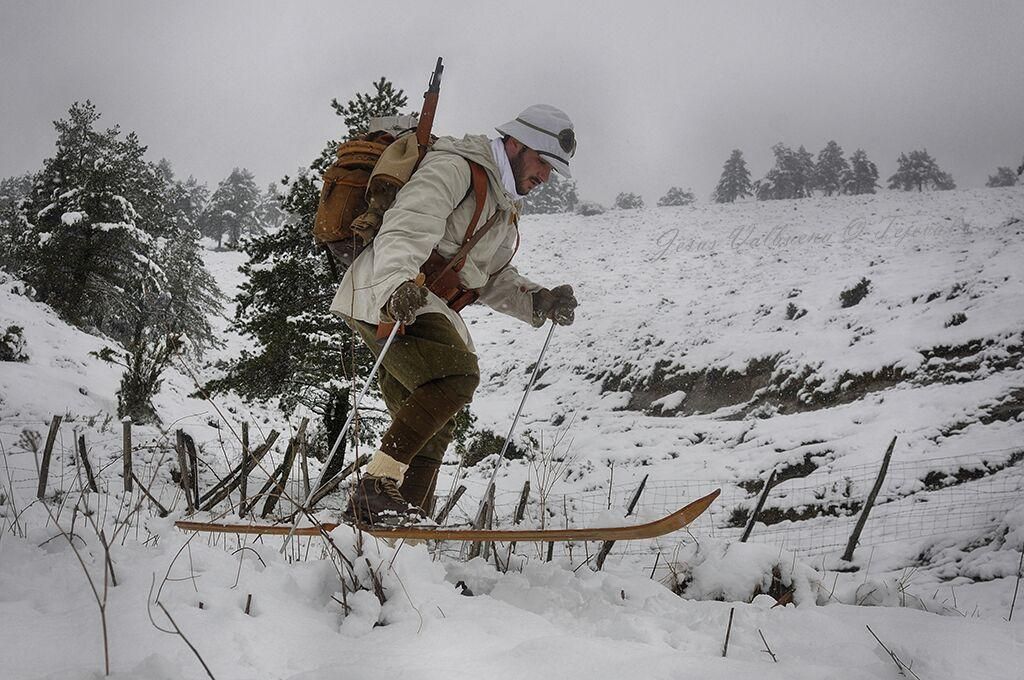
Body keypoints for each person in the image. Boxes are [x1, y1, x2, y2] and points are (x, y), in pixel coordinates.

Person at [331, 104, 579, 524]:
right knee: (455, 376)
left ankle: (404, 523)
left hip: (418, 298)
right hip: (386, 289)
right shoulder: (455, 167)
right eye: (542, 162)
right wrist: (395, 288)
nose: (545, 177)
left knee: (434, 422)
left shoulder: (504, 207)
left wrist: (538, 300)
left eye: (553, 170)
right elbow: (405, 228)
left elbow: (489, 277)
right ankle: (375, 490)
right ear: (516, 144)